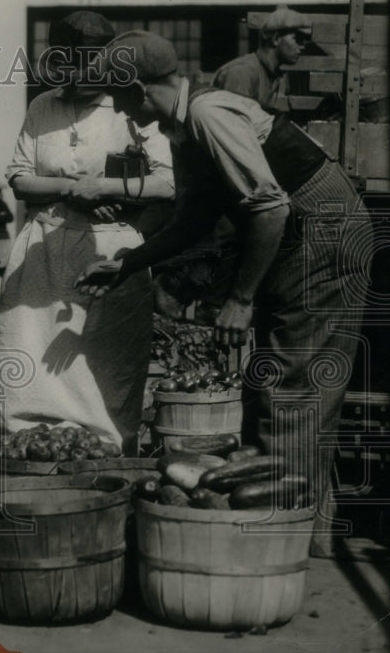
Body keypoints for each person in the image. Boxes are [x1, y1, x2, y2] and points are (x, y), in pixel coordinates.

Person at [77, 31, 373, 556]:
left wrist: (240, 299)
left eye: (116, 95)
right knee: (288, 388)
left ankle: (280, 543)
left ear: (141, 89)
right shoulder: (182, 125)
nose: (115, 106)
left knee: (292, 389)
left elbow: (269, 208)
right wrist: (128, 264)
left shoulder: (209, 114)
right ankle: (311, 538)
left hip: (324, 232)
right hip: (302, 235)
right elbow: (195, 217)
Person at [0, 12, 175, 454]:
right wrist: (75, 190)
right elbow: (19, 177)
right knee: (28, 353)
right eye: (68, 65)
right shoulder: (43, 106)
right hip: (42, 249)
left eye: (90, 64)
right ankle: (23, 444)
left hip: (109, 249)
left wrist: (107, 188)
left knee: (101, 362)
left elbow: (167, 183)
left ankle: (104, 450)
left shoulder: (131, 106)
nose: (78, 75)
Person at [213, 7, 312, 112]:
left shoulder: (271, 74)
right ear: (276, 39)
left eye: (305, 42)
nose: (303, 47)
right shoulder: (242, 73)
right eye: (298, 39)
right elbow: (233, 124)